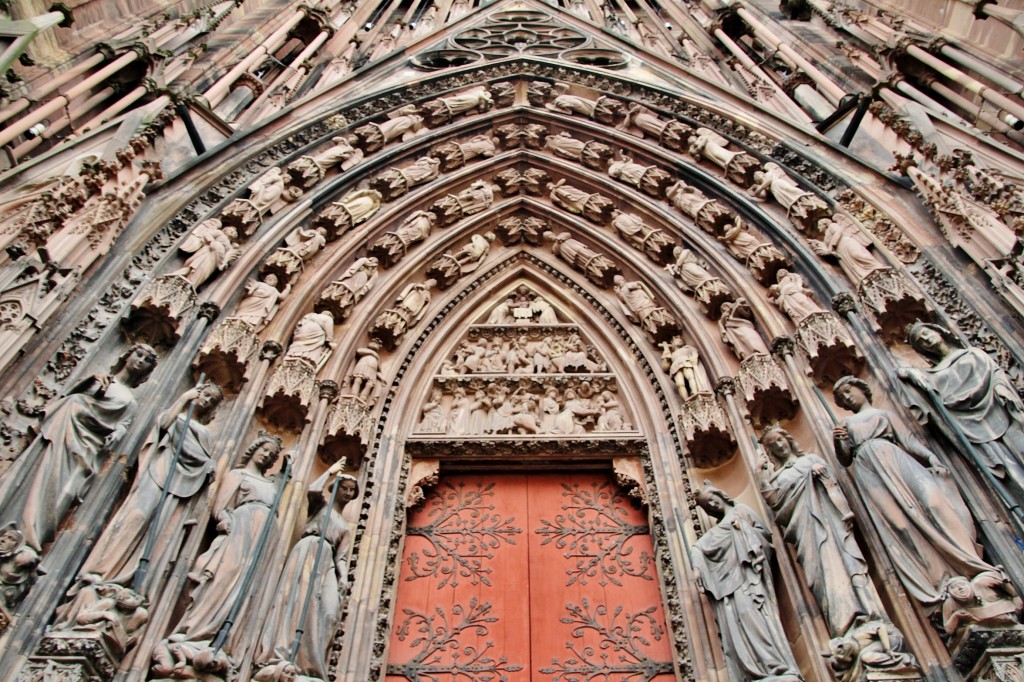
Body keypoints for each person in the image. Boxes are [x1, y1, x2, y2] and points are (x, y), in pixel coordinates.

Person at [832, 376, 1016, 610]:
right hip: (868, 470)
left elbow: (907, 440)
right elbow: (845, 458)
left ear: (861, 389)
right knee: (899, 525)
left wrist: (930, 457)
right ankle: (940, 579)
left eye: (849, 391)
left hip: (894, 457)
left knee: (934, 502)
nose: (847, 397)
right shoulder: (845, 424)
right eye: (842, 397)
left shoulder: (885, 415)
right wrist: (839, 441)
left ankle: (967, 560)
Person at [9, 343, 158, 550]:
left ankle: (33, 536)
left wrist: (117, 433)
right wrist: (92, 380)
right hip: (63, 431)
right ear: (127, 356)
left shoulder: (130, 402)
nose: (140, 361)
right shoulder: (101, 380)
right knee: (36, 472)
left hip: (86, 447)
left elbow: (123, 425)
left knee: (65, 489)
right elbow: (70, 396)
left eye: (146, 361)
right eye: (138, 355)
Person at [78, 383, 223, 589]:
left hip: (180, 484)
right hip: (159, 471)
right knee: (138, 515)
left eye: (212, 400)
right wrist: (183, 399)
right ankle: (101, 568)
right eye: (205, 395)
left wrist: (209, 467)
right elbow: (163, 425)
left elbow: (201, 459)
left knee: (159, 530)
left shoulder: (205, 434)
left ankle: (131, 581)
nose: (206, 400)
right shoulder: (176, 417)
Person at [758, 426, 883, 636]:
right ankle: (843, 624)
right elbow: (777, 506)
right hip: (807, 532)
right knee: (821, 572)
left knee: (847, 562)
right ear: (770, 453)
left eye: (780, 439)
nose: (779, 446)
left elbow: (834, 485)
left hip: (829, 522)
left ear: (788, 439)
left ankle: (869, 612)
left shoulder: (810, 460)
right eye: (773, 445)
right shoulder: (778, 479)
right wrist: (759, 475)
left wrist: (821, 474)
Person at [898, 321, 1024, 510]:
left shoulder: (973, 353)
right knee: (1013, 473)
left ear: (939, 331)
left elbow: (996, 374)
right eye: (920, 341)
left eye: (926, 332)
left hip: (1002, 412)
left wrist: (1000, 388)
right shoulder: (932, 375)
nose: (926, 339)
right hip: (975, 429)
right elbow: (900, 375)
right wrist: (909, 372)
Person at [173, 432, 284, 645]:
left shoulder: (271, 484)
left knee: (250, 586)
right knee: (226, 573)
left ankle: (229, 642)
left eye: (272, 455)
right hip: (240, 529)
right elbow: (221, 507)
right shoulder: (238, 475)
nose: (267, 456)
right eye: (265, 450)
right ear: (255, 448)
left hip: (265, 538)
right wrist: (225, 519)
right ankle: (198, 629)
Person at [690, 483, 803, 682]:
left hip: (749, 580)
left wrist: (746, 536)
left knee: (753, 616)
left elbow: (765, 536)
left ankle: (774, 667)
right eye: (708, 505)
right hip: (730, 585)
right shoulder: (717, 531)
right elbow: (699, 547)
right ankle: (755, 671)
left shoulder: (741, 511)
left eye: (712, 499)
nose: (712, 505)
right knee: (738, 621)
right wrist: (697, 567)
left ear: (720, 494)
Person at [256, 462, 358, 678]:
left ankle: (310, 664)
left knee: (329, 611)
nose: (348, 493)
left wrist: (343, 578)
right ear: (336, 487)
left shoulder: (346, 528)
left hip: (327, 559)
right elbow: (312, 489)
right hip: (308, 551)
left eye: (352, 490)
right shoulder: (321, 507)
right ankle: (284, 659)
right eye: (345, 488)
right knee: (298, 599)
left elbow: (340, 557)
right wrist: (330, 472)